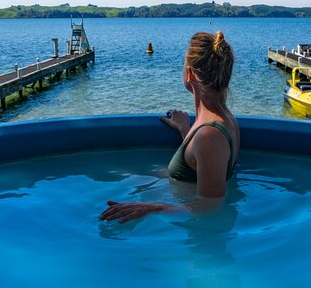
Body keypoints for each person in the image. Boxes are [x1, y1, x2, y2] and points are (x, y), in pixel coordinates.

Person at [99, 31, 239, 223]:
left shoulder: (209, 135)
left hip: (196, 238)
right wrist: (186, 131)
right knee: (122, 173)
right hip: (184, 205)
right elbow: (201, 166)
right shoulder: (223, 120)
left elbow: (212, 206)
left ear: (189, 73)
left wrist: (153, 208)